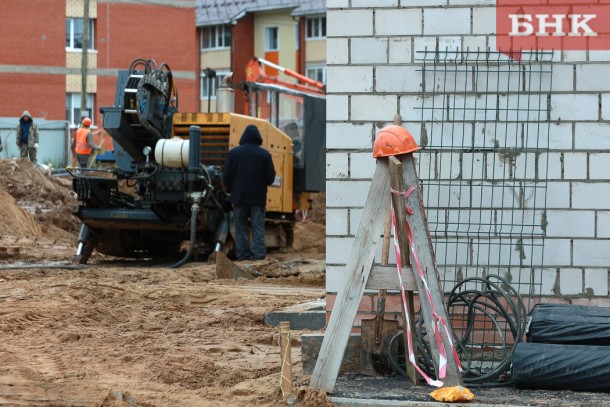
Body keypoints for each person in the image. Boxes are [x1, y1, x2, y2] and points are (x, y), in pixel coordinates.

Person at [223, 124, 276, 261]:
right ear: (258, 138)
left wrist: (232, 189)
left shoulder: (233, 154)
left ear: (243, 137)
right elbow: (270, 178)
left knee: (241, 229)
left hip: (239, 198)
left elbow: (226, 177)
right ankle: (258, 257)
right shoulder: (264, 155)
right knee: (258, 228)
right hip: (257, 199)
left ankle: (243, 256)